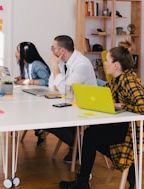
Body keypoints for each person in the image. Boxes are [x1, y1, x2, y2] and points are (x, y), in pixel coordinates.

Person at [59, 42, 144, 189]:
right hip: (122, 127)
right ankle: (84, 181)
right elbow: (102, 93)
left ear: (116, 65)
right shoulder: (117, 80)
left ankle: (83, 182)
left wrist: (120, 105)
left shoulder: (129, 81)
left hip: (131, 132)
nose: (104, 63)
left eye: (107, 60)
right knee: (91, 135)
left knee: (91, 136)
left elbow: (142, 105)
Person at [46, 35, 97, 163]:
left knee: (51, 122)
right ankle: (75, 145)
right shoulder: (63, 62)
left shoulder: (81, 64)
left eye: (53, 48)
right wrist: (59, 78)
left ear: (61, 50)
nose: (52, 51)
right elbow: (51, 85)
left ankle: (79, 146)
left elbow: (65, 89)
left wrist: (56, 70)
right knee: (47, 121)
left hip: (84, 107)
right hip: (71, 103)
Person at [14, 41, 51, 146]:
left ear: (24, 53)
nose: (15, 53)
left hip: (41, 98)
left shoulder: (37, 65)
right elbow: (27, 76)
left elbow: (47, 81)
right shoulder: (24, 64)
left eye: (17, 51)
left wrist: (28, 82)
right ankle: (38, 130)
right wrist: (21, 78)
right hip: (31, 94)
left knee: (25, 108)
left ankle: (40, 130)